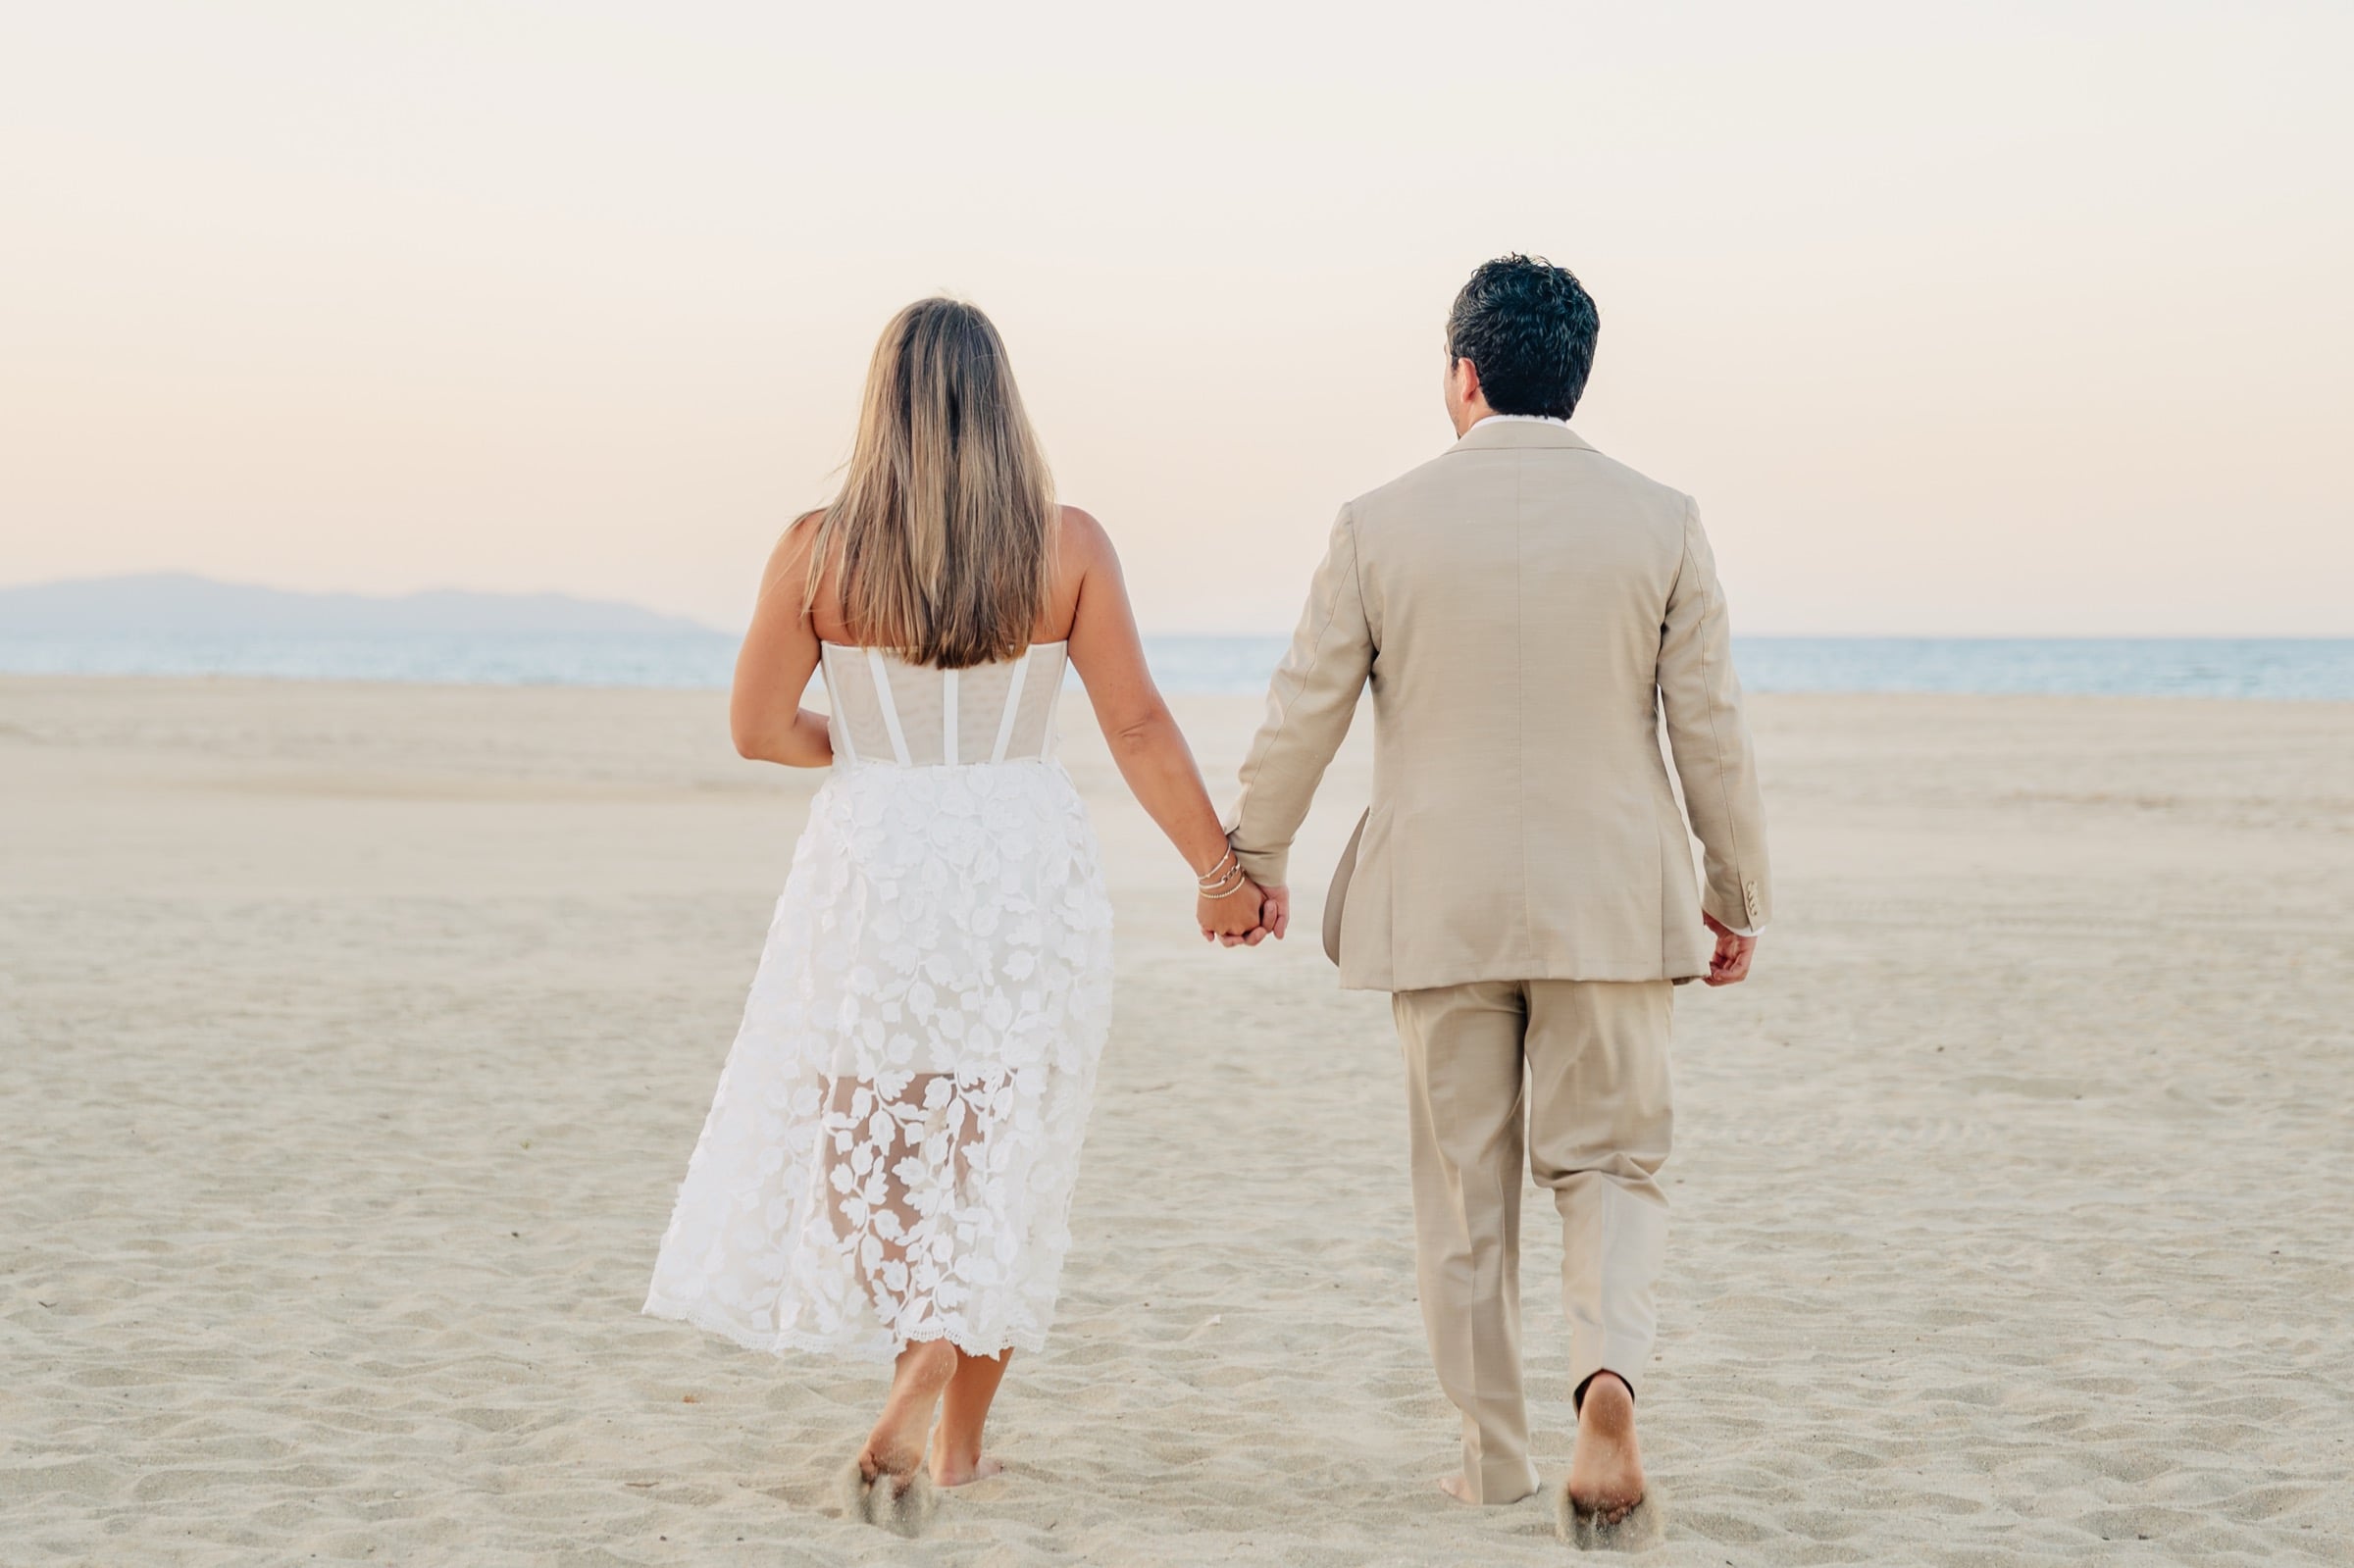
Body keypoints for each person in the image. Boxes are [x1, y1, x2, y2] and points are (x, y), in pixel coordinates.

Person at [641, 297, 1268, 1535]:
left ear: (883, 407)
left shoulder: (817, 552)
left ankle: (923, 1358)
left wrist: (866, 745)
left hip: (878, 857)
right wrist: (1219, 870)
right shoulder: (1068, 545)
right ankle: (957, 1424)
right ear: (1002, 404)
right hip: (1020, 858)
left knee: (872, 1141)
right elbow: (1137, 724)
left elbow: (757, 729)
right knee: (1001, 1146)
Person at [1221, 254, 1771, 1539]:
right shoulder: (1662, 520)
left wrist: (1252, 861)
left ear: (1463, 372)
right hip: (1611, 901)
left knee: (1463, 1196)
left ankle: (1493, 1462)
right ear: (1576, 378)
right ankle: (1608, 1381)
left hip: (1439, 904)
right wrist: (1735, 891)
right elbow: (1711, 731)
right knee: (1613, 1164)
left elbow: (1303, 712)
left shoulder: (1377, 522)